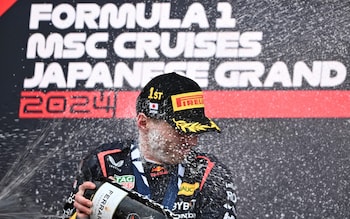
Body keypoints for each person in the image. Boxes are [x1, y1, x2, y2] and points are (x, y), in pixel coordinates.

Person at [63, 72, 237, 219]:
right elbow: (68, 214)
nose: (193, 141)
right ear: (143, 122)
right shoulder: (103, 162)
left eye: (196, 132)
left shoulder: (210, 172)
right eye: (182, 131)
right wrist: (79, 216)